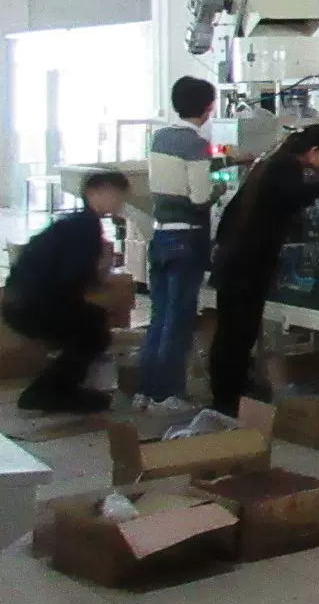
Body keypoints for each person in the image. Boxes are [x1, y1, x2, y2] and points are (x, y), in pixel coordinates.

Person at [208, 125, 319, 414]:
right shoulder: (286, 167)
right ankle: (228, 401)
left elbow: (234, 211)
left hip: (233, 259)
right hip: (248, 264)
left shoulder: (267, 165)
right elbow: (294, 195)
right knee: (238, 335)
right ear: (313, 151)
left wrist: (221, 245)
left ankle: (228, 394)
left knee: (230, 333)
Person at [3, 171, 130, 413]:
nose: (119, 202)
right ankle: (47, 393)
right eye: (115, 194)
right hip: (32, 306)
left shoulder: (77, 224)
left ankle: (57, 389)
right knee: (93, 330)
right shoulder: (84, 228)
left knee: (92, 321)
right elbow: (74, 278)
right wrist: (102, 269)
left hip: (24, 302)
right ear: (93, 193)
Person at [139, 77, 220, 413]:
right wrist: (220, 186)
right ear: (209, 107)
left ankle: (146, 392)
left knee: (159, 316)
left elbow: (174, 179)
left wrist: (224, 163)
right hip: (187, 239)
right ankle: (168, 394)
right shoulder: (196, 144)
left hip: (160, 237)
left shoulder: (161, 138)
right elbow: (200, 197)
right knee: (179, 319)